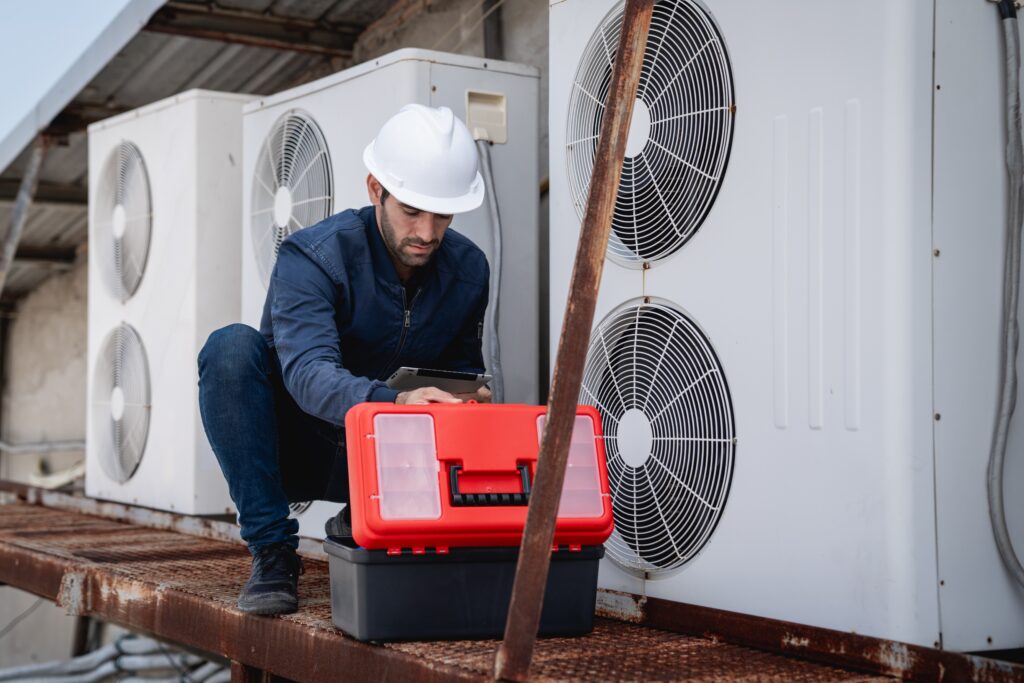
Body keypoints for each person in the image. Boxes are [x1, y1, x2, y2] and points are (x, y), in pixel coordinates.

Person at [197, 104, 492, 615]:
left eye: (442, 214)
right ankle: (272, 553)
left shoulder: (469, 269)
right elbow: (309, 374)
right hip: (297, 448)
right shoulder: (312, 257)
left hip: (380, 463)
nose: (427, 231)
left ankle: (365, 521)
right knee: (229, 348)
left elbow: (461, 369)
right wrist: (395, 401)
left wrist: (468, 398)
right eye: (411, 210)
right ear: (375, 189)